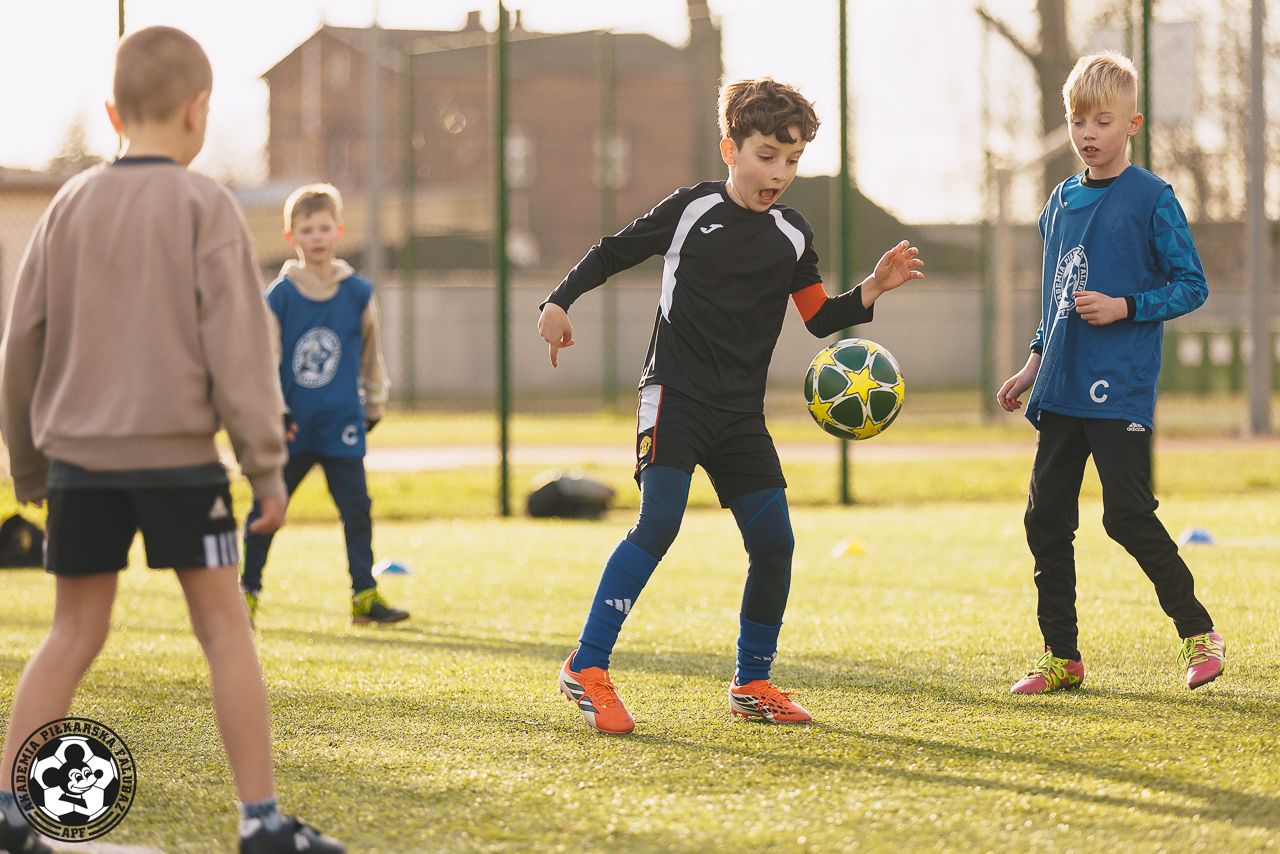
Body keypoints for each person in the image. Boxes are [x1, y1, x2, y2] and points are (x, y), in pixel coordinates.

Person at [0, 27, 344, 853]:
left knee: (73, 631)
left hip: (79, 464)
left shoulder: (68, 205)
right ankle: (261, 822)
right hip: (181, 464)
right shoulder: (205, 206)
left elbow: (21, 344)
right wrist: (266, 468)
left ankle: (10, 809)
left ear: (113, 113)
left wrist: (28, 465)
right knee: (224, 630)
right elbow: (239, 351)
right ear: (198, 111)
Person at [537, 78, 924, 734]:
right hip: (674, 395)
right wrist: (557, 301)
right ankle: (588, 665)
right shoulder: (692, 209)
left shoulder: (792, 233)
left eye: (792, 160)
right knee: (659, 522)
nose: (779, 173)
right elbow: (613, 251)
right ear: (730, 149)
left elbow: (818, 318)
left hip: (740, 414)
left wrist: (872, 288)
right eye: (767, 156)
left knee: (775, 543)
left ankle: (752, 683)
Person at [997, 52, 1225, 695]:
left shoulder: (1153, 199)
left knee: (1125, 516)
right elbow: (1055, 301)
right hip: (1060, 386)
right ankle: (1061, 656)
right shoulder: (1059, 202)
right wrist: (1032, 363)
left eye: (1102, 120)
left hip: (1117, 388)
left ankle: (1199, 633)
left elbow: (1192, 286)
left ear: (1132, 124)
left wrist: (1126, 306)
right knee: (1045, 519)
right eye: (1078, 120)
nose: (1088, 133)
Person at [239, 184, 407, 627]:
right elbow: (265, 361)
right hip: (292, 427)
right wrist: (277, 412)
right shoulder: (279, 296)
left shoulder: (358, 292)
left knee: (357, 511)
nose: (316, 237)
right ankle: (246, 594)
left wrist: (374, 404)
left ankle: (364, 597)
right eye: (306, 229)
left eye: (323, 228)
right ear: (290, 236)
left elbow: (371, 356)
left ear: (339, 231)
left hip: (340, 424)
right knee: (266, 510)